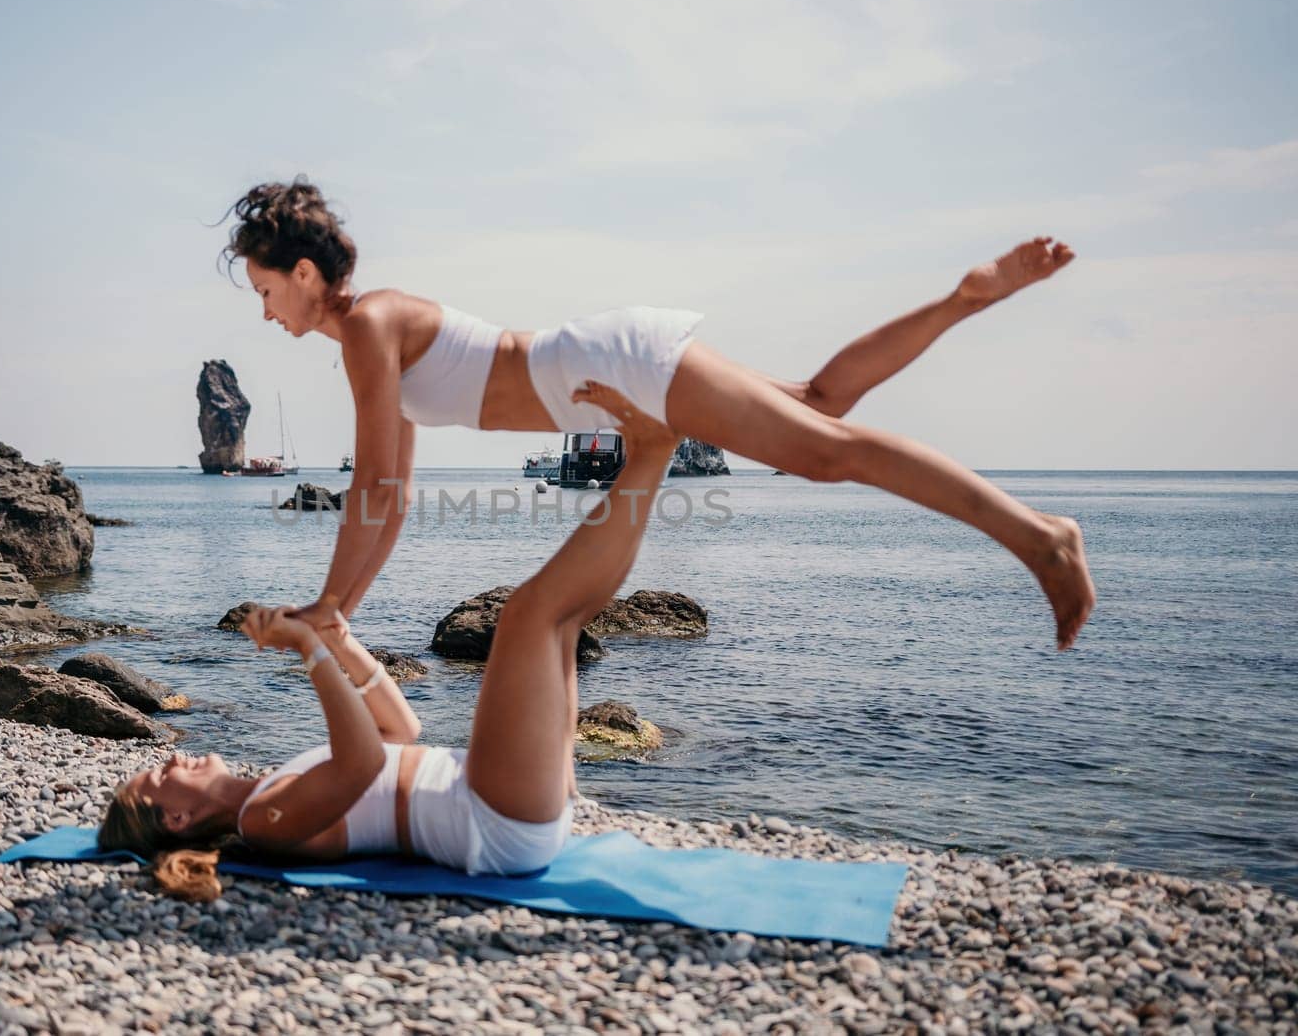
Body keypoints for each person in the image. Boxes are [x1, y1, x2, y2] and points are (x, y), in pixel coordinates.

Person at [227, 179, 1095, 649]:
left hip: (614, 365)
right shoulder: (377, 325)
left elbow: (375, 481)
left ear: (306, 273)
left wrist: (327, 601)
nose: (267, 312)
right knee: (819, 408)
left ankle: (1039, 537)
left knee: (824, 450)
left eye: (267, 290)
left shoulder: (368, 325)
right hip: (613, 358)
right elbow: (397, 497)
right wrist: (344, 609)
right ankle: (963, 299)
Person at [100, 384, 679, 899]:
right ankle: (652, 452)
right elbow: (366, 762)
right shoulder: (264, 822)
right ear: (177, 818)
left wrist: (341, 642)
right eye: (156, 776)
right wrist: (309, 651)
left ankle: (652, 452)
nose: (170, 758)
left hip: (502, 798)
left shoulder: (269, 790)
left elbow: (399, 733)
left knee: (561, 618)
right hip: (493, 818)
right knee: (531, 614)